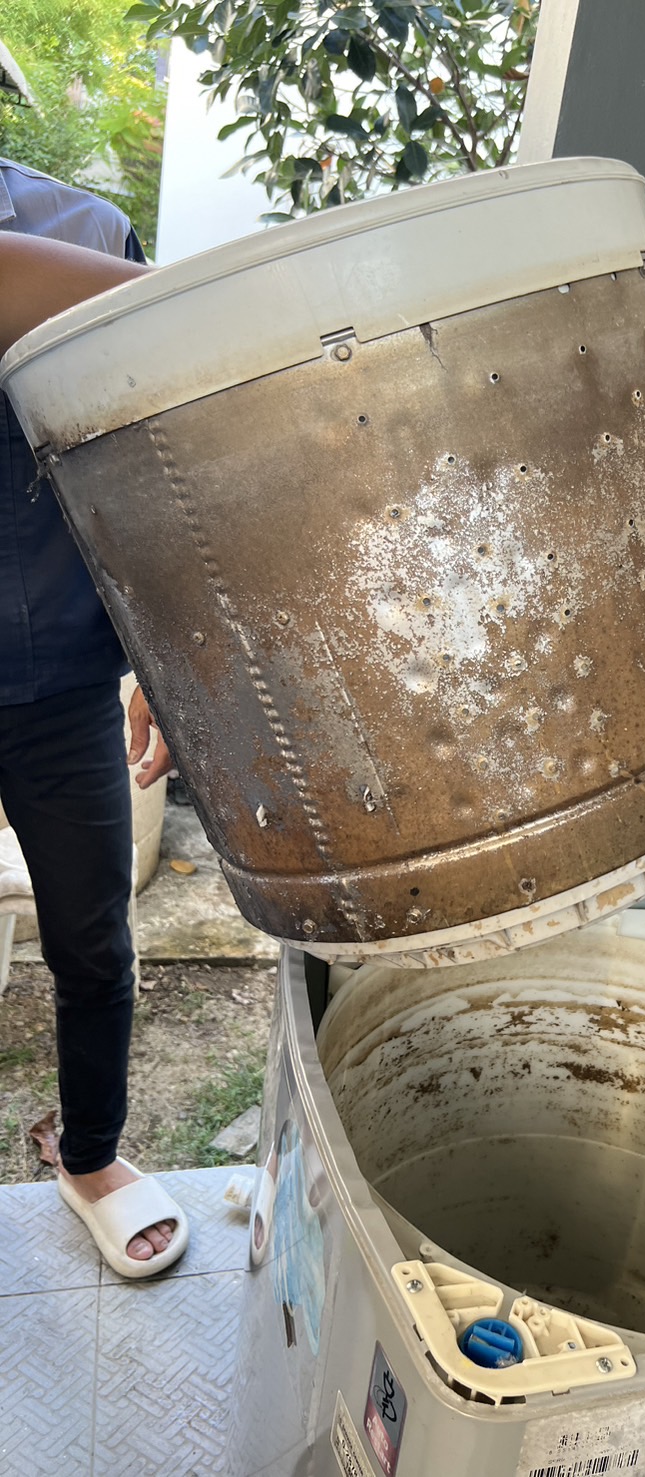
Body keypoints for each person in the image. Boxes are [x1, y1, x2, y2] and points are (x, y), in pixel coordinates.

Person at [0, 160, 184, 1278]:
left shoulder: (86, 230)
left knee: (93, 938)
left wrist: (166, 650)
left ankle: (91, 1154)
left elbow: (147, 457)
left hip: (61, 670)